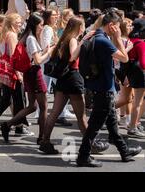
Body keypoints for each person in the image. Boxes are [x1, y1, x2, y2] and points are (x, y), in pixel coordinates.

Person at [76, 9, 142, 167]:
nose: (119, 29)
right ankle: (83, 156)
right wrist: (118, 38)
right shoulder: (103, 40)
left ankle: (124, 152)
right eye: (118, 26)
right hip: (104, 88)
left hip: (101, 87)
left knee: (112, 124)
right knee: (94, 126)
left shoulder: (96, 36)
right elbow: (124, 58)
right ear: (112, 25)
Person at [39, 17, 109, 154]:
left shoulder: (64, 39)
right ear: (79, 27)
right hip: (73, 78)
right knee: (81, 115)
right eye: (83, 25)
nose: (84, 28)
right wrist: (83, 41)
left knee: (54, 112)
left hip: (63, 79)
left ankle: (45, 141)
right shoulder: (72, 40)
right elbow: (73, 57)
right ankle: (91, 144)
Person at [0, 13, 55, 144]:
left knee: (32, 106)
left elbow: (32, 56)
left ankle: (7, 125)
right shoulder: (30, 38)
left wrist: (44, 51)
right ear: (35, 25)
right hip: (34, 73)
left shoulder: (25, 37)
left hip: (29, 73)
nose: (42, 27)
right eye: (41, 25)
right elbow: (37, 60)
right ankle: (41, 138)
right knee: (43, 106)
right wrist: (49, 51)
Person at [125, 19, 145, 138]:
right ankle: (133, 127)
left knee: (134, 101)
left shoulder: (129, 40)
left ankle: (133, 125)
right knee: (138, 102)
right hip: (140, 74)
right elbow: (143, 63)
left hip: (131, 73)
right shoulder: (141, 43)